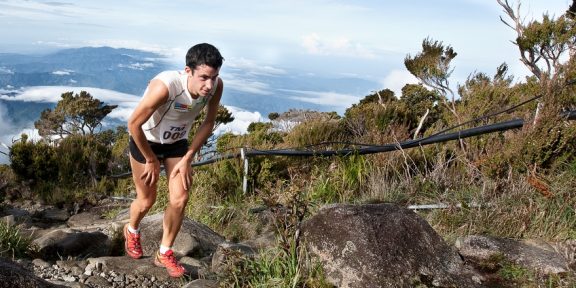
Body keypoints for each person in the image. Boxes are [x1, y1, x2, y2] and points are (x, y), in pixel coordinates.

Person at [124, 43, 224, 278]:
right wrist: (150, 159)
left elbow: (209, 122)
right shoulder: (166, 87)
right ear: (187, 71)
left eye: (214, 77)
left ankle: (164, 252)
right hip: (145, 141)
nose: (209, 85)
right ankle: (132, 229)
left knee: (180, 198)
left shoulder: (216, 86)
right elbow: (133, 124)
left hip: (177, 144)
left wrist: (189, 156)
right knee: (147, 200)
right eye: (204, 78)